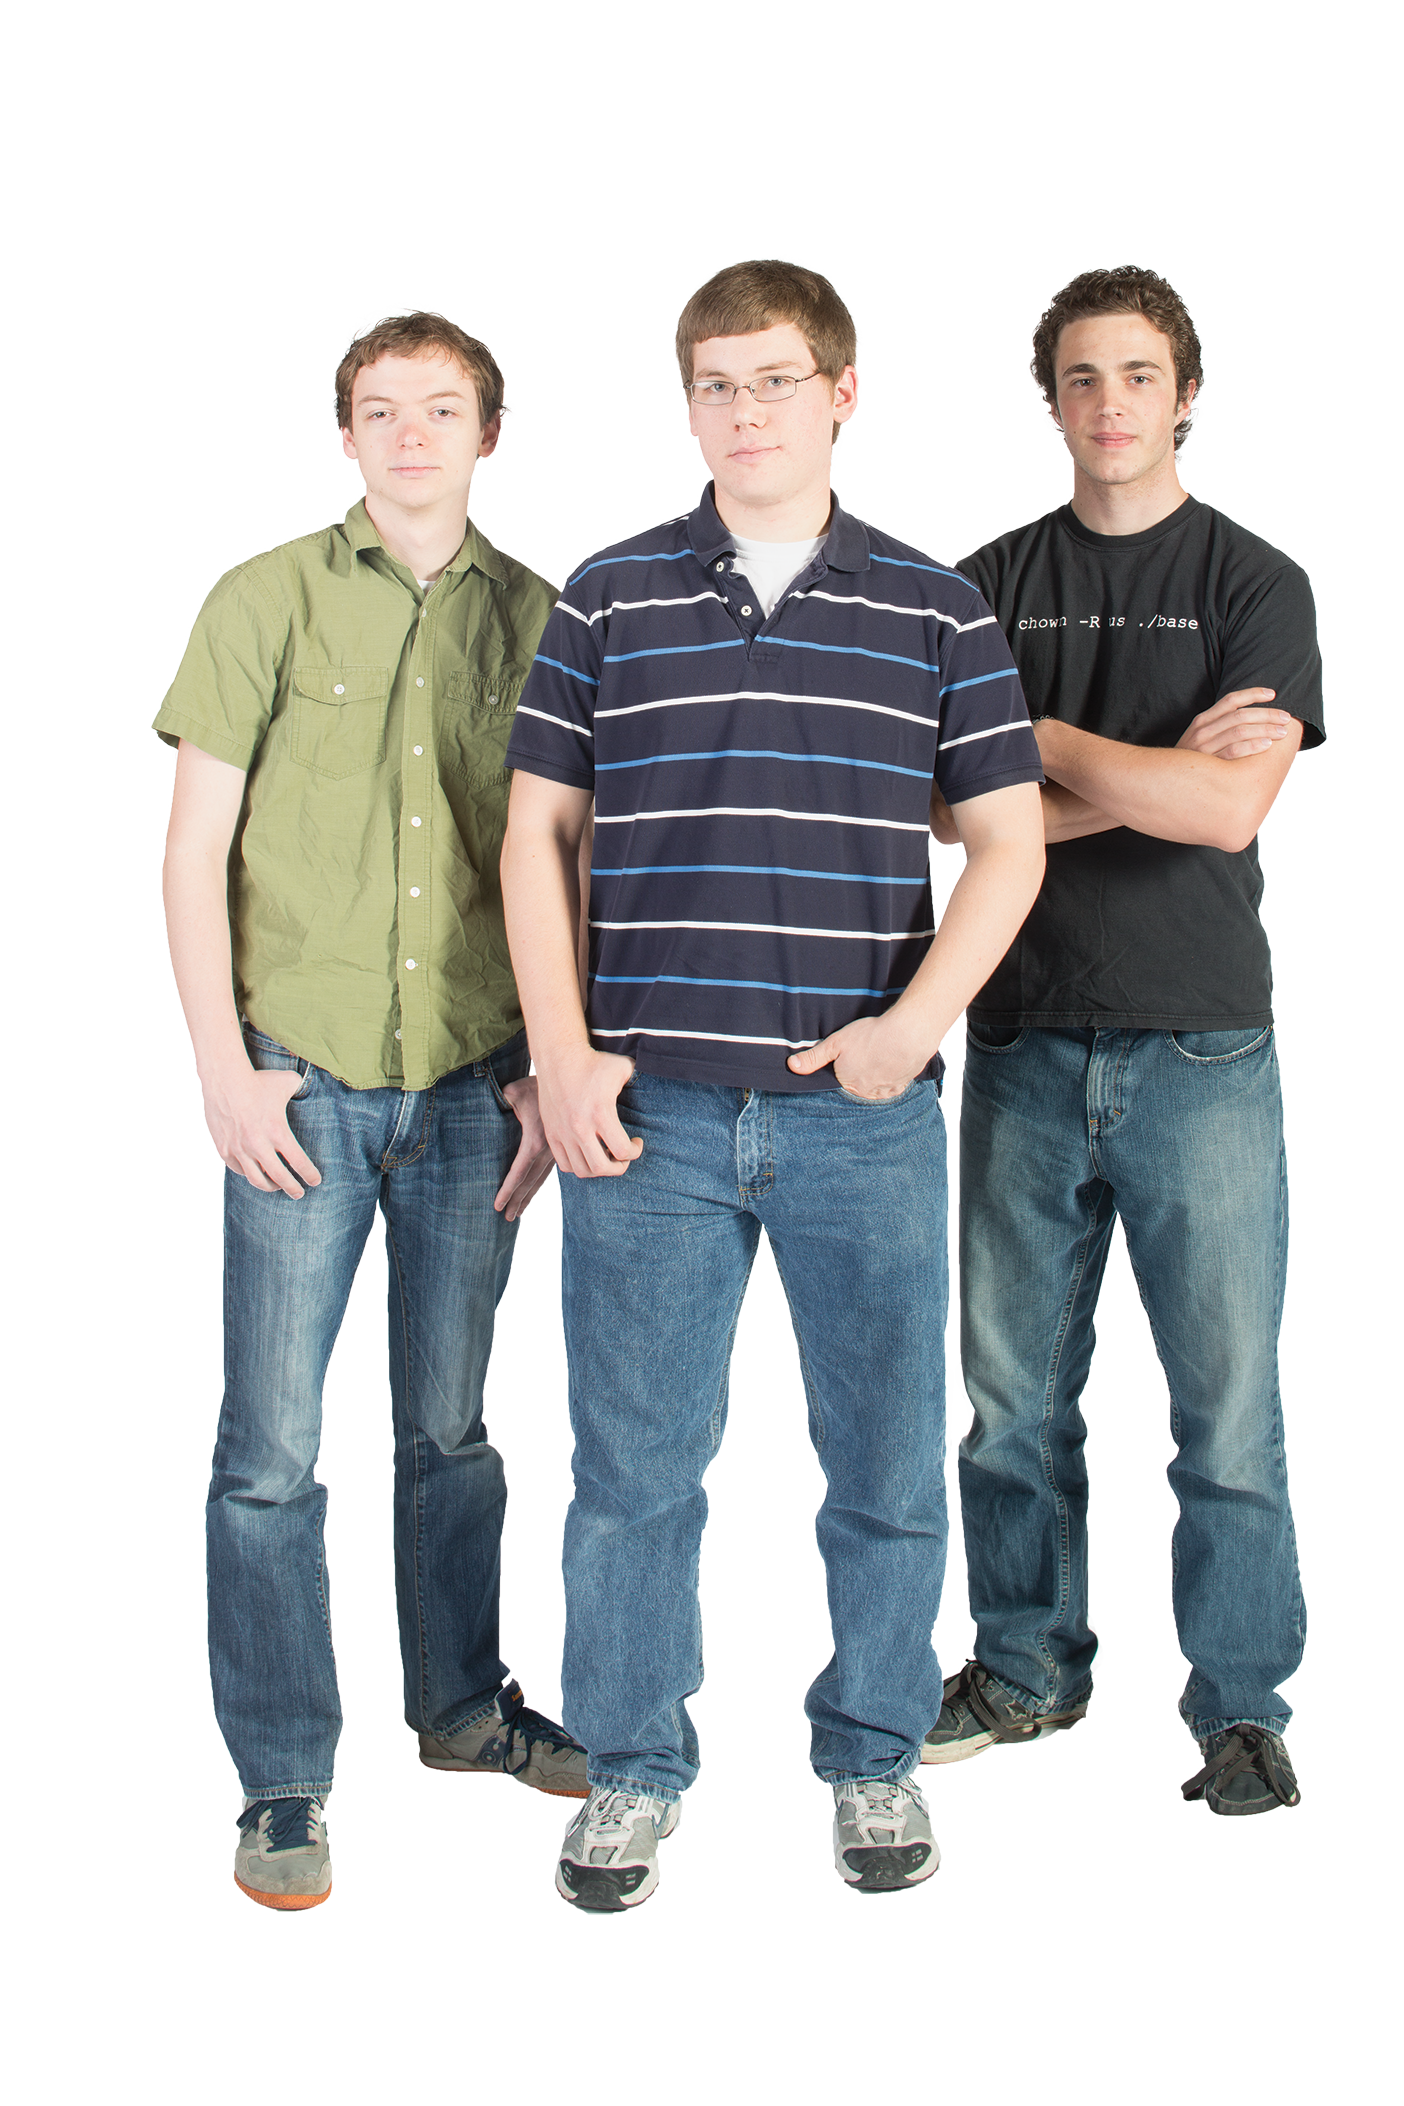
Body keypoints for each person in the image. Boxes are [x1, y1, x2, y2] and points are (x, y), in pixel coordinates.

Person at [500, 259, 1047, 1910]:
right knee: (633, 1473)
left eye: (775, 380)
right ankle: (636, 1768)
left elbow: (1008, 843)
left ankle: (876, 1751)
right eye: (716, 385)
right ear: (691, 406)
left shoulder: (937, 608)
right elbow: (537, 831)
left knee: (884, 1461)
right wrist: (559, 1045)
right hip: (649, 1111)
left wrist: (916, 1021)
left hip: (859, 1113)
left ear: (843, 393)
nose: (746, 411)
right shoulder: (607, 593)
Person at [156, 310, 590, 1911]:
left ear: (489, 431)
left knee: (450, 1430)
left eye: (442, 407)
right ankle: (281, 1773)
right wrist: (217, 1062)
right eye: (381, 409)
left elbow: (565, 865)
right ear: (347, 433)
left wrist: (553, 1058)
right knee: (270, 1448)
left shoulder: (547, 618)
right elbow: (194, 849)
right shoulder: (261, 598)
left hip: (477, 1087)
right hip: (305, 1082)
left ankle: (462, 1702)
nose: (411, 434)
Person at [922, 265, 1323, 1818]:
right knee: (1012, 1399)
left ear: (1187, 391)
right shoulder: (977, 586)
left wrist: (1045, 757)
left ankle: (1240, 1706)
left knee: (1227, 1409)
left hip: (1205, 1049)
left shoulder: (1256, 579)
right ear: (1053, 399)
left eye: (1139, 375)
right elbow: (951, 816)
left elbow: (1229, 805)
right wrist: (1136, 770)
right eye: (1082, 377)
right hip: (1020, 1038)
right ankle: (1025, 1665)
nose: (1110, 404)